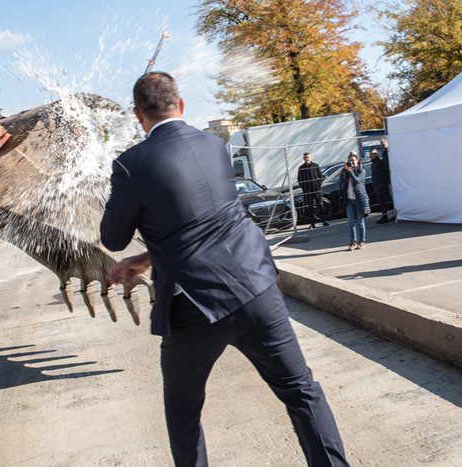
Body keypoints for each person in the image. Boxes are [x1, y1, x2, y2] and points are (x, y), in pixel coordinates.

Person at [100, 72, 348, 467]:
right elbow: (204, 222)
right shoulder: (215, 145)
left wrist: (119, 195)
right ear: (180, 106)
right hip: (256, 289)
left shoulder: (131, 164)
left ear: (137, 114)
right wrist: (149, 258)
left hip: (193, 308)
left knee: (183, 413)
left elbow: (113, 238)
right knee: (302, 391)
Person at [340, 151, 370, 251]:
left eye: (353, 160)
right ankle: (353, 242)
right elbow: (342, 181)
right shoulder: (346, 171)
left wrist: (350, 171)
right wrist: (344, 170)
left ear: (357, 160)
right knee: (350, 222)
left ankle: (362, 241)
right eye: (350, 161)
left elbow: (357, 181)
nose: (351, 162)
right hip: (349, 200)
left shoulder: (362, 170)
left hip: (359, 199)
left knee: (360, 222)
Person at [297, 152, 328, 228]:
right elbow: (300, 180)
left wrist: (318, 186)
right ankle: (312, 223)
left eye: (308, 157)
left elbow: (320, 177)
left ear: (311, 158)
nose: (307, 159)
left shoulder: (315, 166)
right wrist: (304, 188)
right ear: (303, 159)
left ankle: (324, 221)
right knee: (310, 207)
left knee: (320, 205)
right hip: (307, 191)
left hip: (317, 190)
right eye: (305, 158)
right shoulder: (301, 168)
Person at [369, 148, 392, 224]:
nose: (371, 156)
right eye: (370, 154)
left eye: (373, 154)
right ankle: (384, 216)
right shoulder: (373, 164)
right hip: (376, 185)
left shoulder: (380, 162)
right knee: (380, 202)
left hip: (381, 185)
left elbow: (384, 173)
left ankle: (385, 217)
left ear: (376, 154)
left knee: (383, 202)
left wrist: (384, 184)